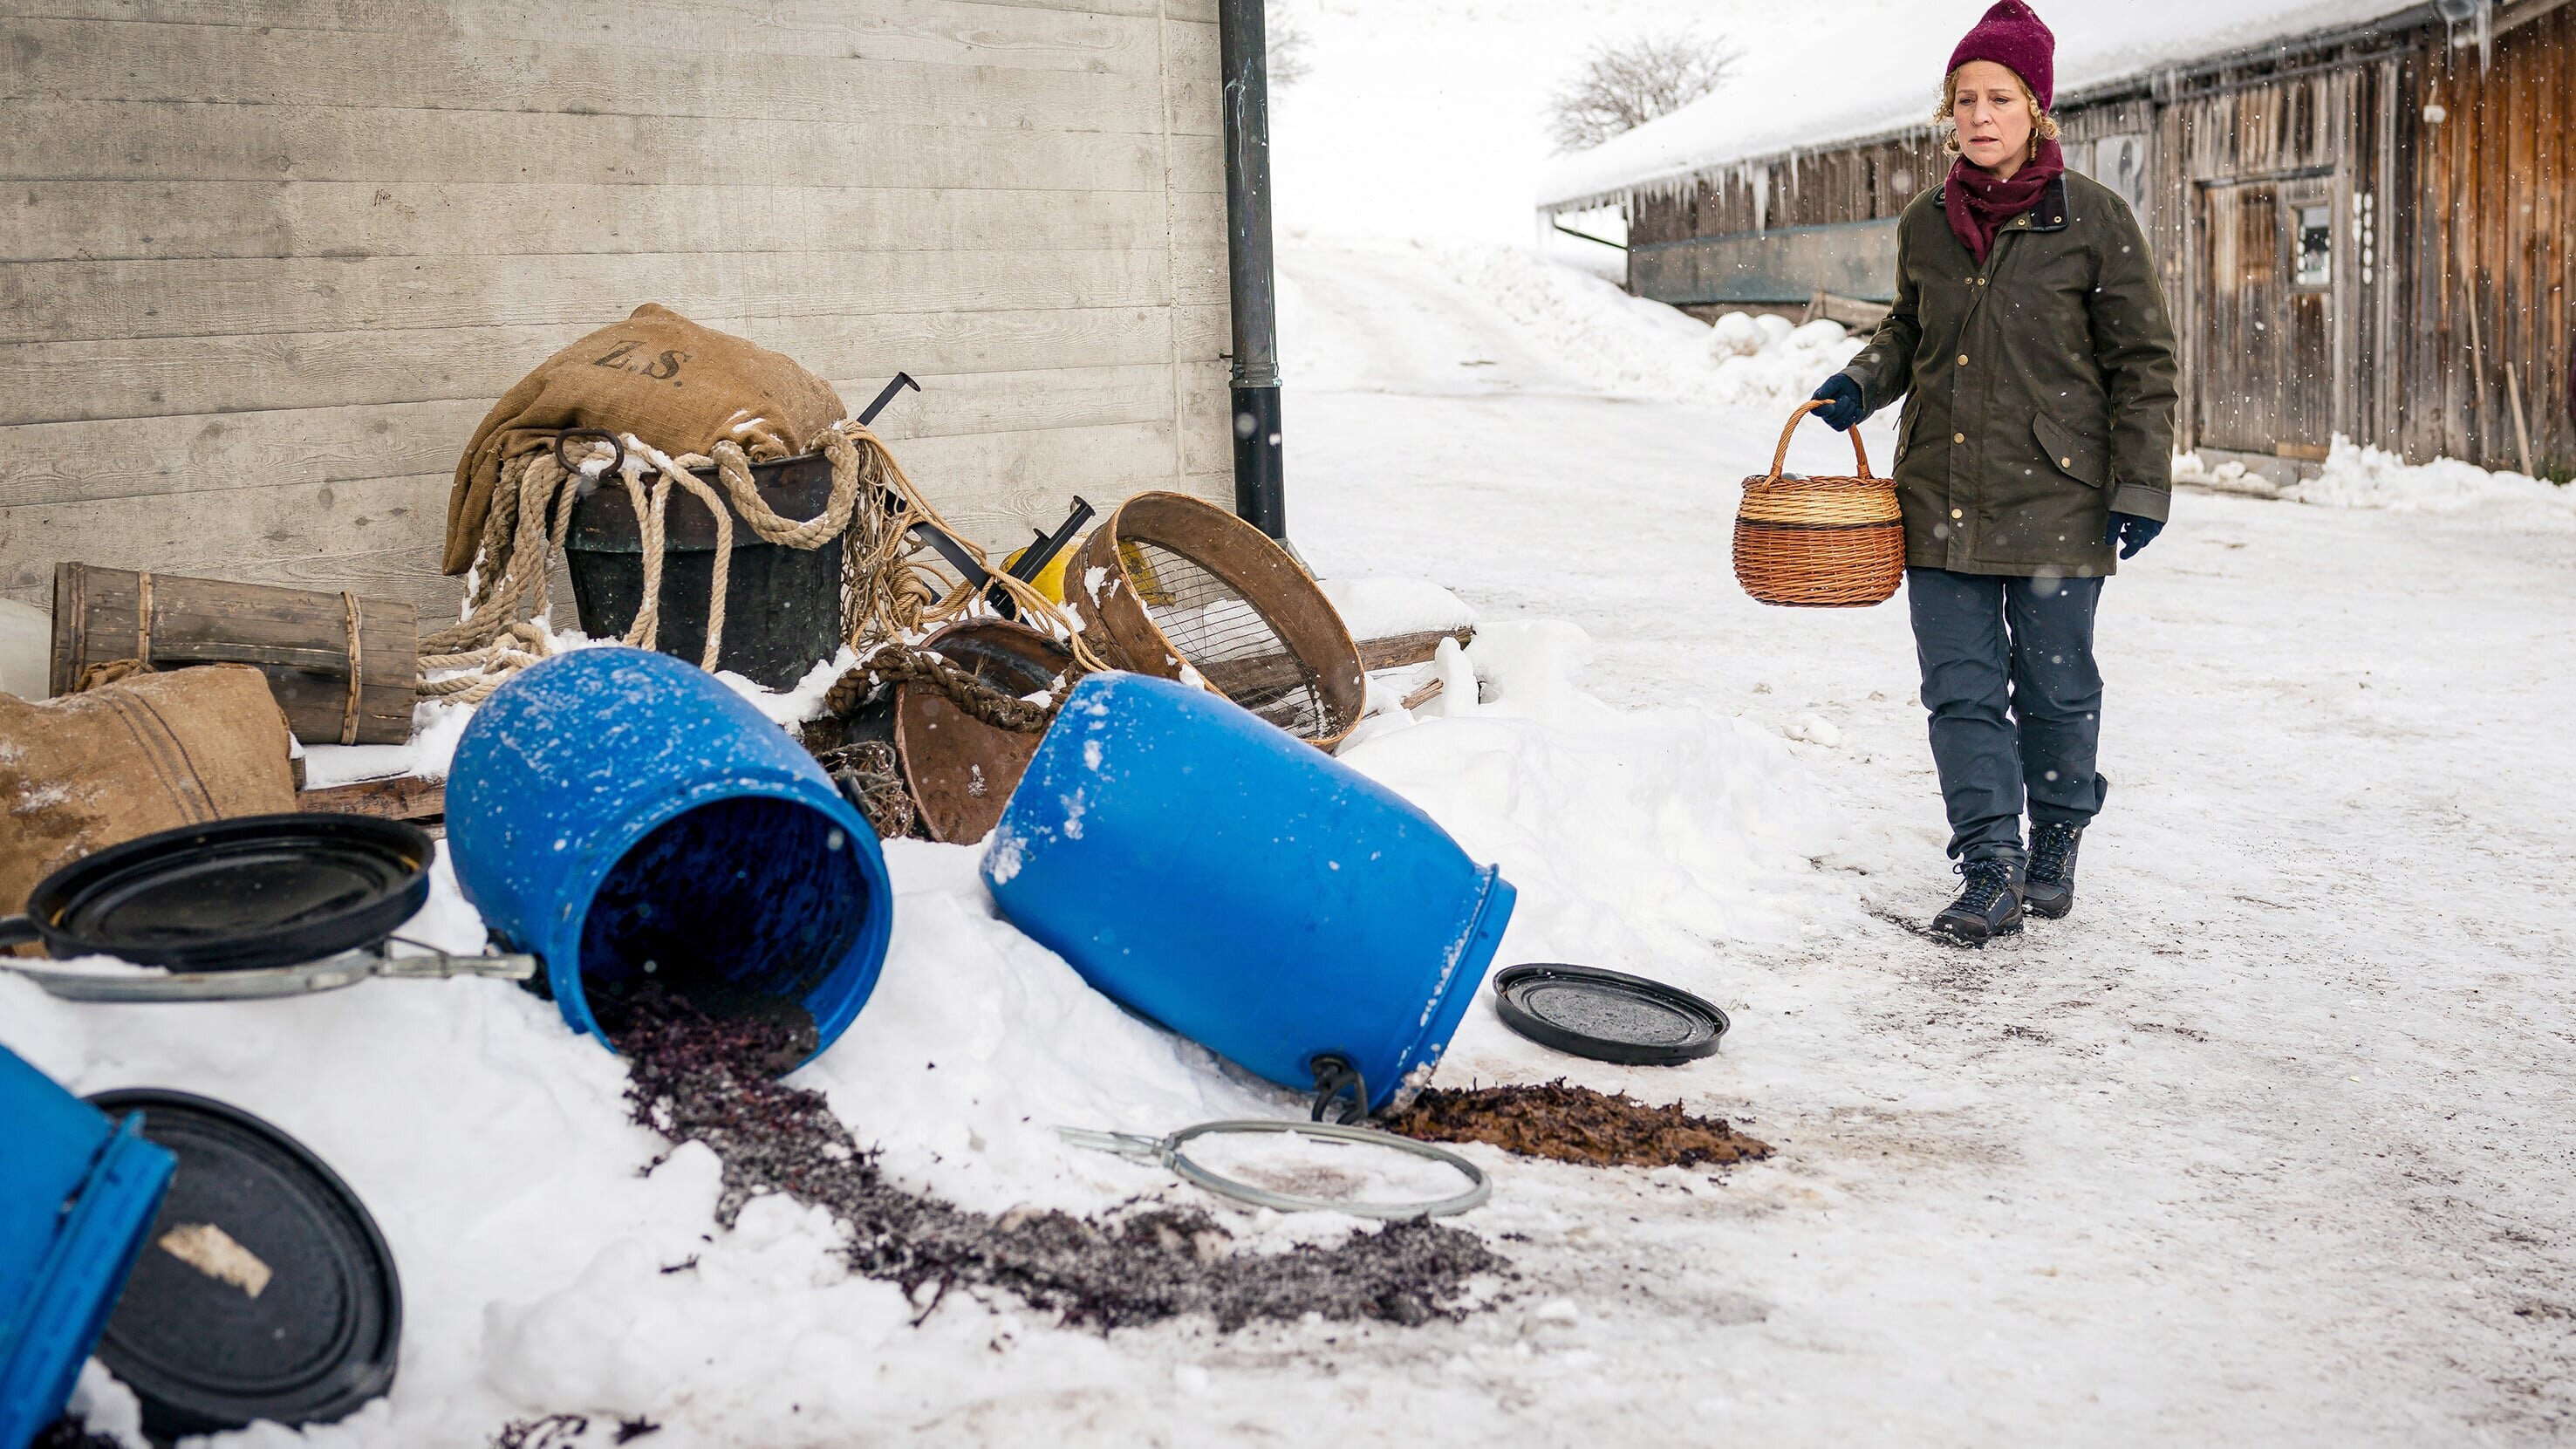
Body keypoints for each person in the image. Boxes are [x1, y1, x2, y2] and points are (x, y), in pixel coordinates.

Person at [1807, 0, 2177, 944]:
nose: (1978, 116)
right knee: (1960, 689)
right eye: (1963, 99)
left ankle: (2054, 835)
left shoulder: (2094, 220)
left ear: (2035, 110)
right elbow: (1909, 329)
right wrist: (1861, 381)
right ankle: (1990, 864)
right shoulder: (1926, 223)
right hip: (1939, 492)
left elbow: (2142, 361)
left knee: (2054, 687)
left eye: (1998, 98)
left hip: (2060, 496)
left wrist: (2138, 485)